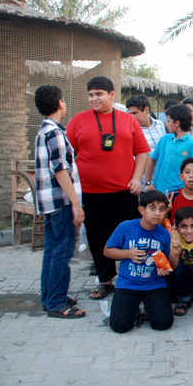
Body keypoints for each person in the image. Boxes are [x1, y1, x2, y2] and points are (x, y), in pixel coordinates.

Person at [67, 76, 150, 301]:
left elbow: (142, 152)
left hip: (125, 193)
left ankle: (132, 279)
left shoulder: (128, 120)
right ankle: (105, 281)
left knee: (131, 237)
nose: (94, 98)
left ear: (112, 95)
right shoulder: (78, 121)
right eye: (91, 95)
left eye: (99, 94)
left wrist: (137, 179)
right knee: (97, 238)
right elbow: (68, 157)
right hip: (91, 193)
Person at [34, 85, 86, 319]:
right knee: (62, 252)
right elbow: (60, 170)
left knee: (52, 250)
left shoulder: (44, 131)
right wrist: (75, 203)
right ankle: (56, 302)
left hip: (50, 203)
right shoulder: (54, 133)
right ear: (59, 103)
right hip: (61, 202)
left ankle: (51, 297)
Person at [105, 191, 178, 333]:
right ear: (141, 210)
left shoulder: (164, 234)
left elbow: (170, 265)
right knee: (119, 326)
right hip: (128, 283)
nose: (157, 213)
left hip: (154, 284)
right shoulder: (125, 227)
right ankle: (133, 307)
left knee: (163, 323)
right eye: (152, 208)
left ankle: (148, 306)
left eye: (161, 209)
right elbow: (107, 251)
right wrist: (128, 253)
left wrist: (165, 268)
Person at [144, 105, 193, 196]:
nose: (166, 124)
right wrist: (147, 182)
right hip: (160, 190)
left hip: (180, 193)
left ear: (177, 123)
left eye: (168, 121)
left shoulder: (192, 144)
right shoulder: (165, 139)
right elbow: (152, 159)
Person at [126, 95, 166, 190]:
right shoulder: (129, 130)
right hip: (142, 182)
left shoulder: (159, 124)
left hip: (161, 179)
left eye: (135, 113)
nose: (131, 116)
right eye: (129, 113)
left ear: (146, 110)